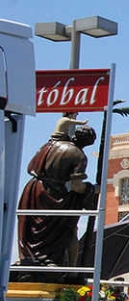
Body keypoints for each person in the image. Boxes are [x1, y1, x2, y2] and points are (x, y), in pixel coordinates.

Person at [16, 117, 97, 278]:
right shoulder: (79, 156)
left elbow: (61, 123)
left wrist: (75, 121)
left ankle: (28, 259)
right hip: (53, 195)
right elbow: (75, 186)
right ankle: (47, 260)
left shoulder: (53, 143)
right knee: (57, 230)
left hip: (33, 189)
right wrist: (91, 189)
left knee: (31, 227)